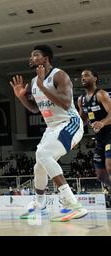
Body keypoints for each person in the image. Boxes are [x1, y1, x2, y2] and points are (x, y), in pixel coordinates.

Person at [10, 45, 87, 222]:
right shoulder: (35, 81)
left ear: (46, 59)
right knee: (39, 165)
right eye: (31, 55)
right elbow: (35, 109)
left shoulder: (59, 75)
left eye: (35, 55)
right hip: (52, 127)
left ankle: (74, 204)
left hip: (70, 122)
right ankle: (40, 203)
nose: (31, 58)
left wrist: (43, 87)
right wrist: (21, 96)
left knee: (43, 154)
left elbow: (66, 104)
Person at [78, 69, 111, 186]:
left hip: (110, 134)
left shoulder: (101, 94)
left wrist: (102, 122)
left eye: (86, 75)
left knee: (109, 165)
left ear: (95, 78)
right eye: (81, 76)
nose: (83, 78)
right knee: (101, 176)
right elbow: (83, 119)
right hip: (99, 138)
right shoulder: (81, 99)